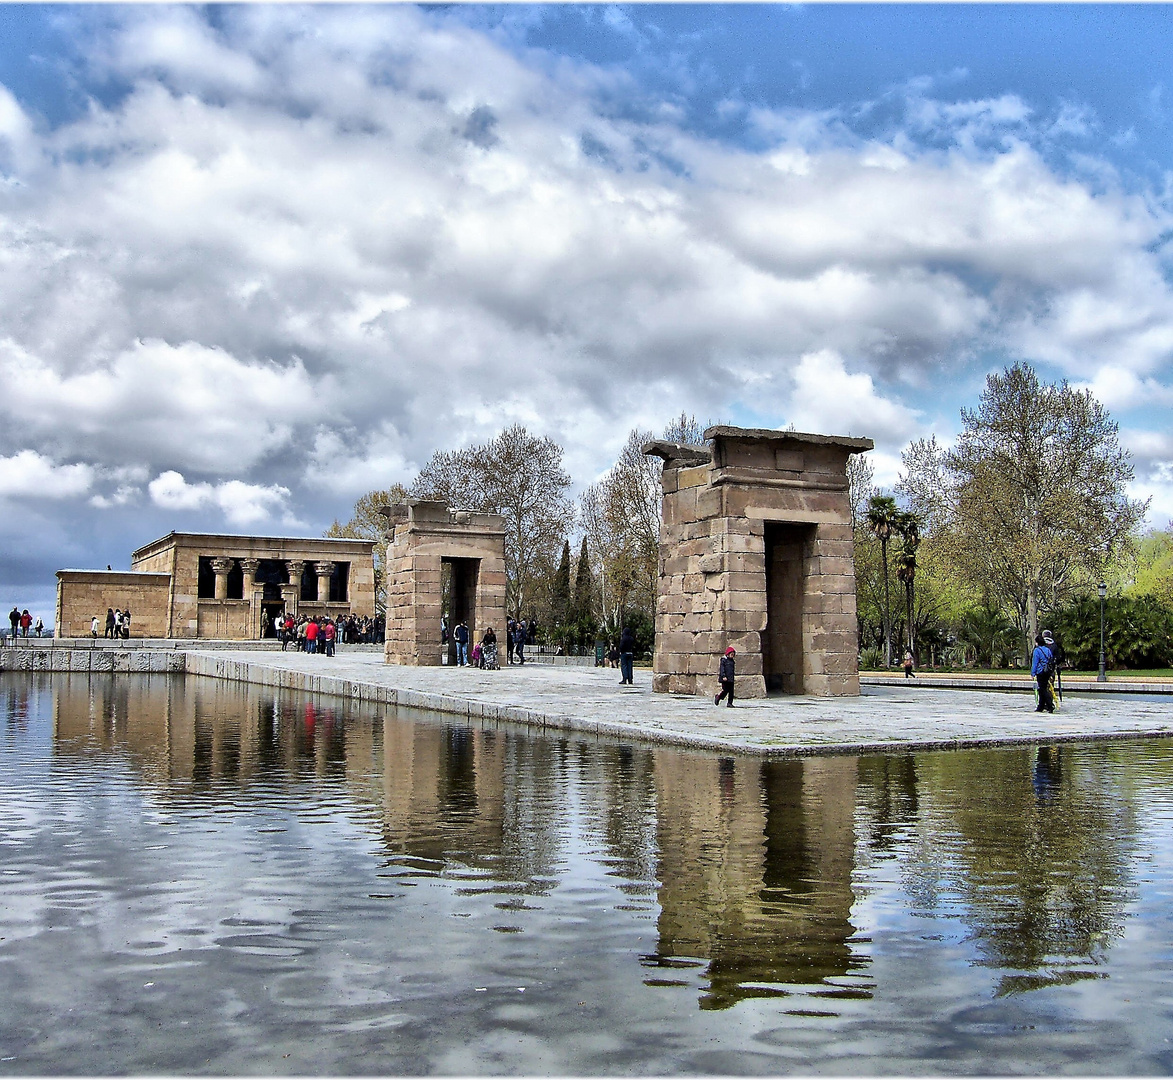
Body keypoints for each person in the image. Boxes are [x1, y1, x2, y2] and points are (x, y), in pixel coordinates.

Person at [1031, 633, 1055, 713]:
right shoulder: (1047, 649)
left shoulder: (1037, 650)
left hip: (1040, 671)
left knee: (1042, 689)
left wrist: (1033, 673)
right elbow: (1051, 658)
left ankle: (1049, 705)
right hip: (1047, 671)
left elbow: (1035, 662)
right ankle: (1040, 707)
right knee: (1042, 689)